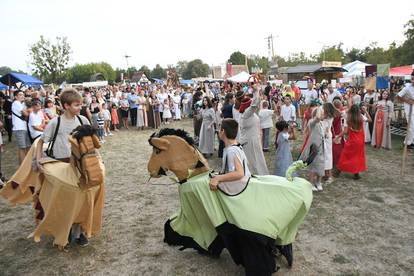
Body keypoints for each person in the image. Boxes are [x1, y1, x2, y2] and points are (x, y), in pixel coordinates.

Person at [35, 88, 90, 246]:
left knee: (80, 199)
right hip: (60, 165)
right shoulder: (55, 122)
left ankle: (78, 233)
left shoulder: (83, 121)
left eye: (80, 104)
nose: (80, 107)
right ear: (66, 106)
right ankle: (63, 231)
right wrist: (39, 160)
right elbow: (40, 142)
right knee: (63, 201)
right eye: (76, 104)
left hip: (79, 165)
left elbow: (89, 143)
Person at [209, 118, 250, 191]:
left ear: (223, 131)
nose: (218, 131)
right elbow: (246, 163)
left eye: (219, 128)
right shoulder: (237, 145)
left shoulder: (231, 151)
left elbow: (239, 173)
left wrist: (218, 178)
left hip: (240, 188)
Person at [239, 85, 269, 175]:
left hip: (253, 140)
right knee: (252, 162)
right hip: (249, 142)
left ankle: (260, 176)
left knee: (258, 160)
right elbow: (255, 104)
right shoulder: (246, 114)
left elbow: (256, 105)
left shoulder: (250, 114)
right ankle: (254, 177)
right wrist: (256, 91)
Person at [335, 104, 367, 180]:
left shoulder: (348, 118)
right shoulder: (361, 117)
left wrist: (338, 136)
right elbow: (369, 120)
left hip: (352, 140)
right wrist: (366, 112)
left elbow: (345, 131)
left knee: (345, 156)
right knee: (357, 157)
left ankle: (338, 171)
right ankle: (356, 174)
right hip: (360, 140)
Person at [300, 106, 325, 191]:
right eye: (322, 114)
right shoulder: (312, 122)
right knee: (313, 165)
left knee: (321, 164)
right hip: (314, 147)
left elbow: (321, 134)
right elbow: (317, 118)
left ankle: (318, 182)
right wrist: (318, 110)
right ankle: (311, 183)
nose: (323, 115)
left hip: (321, 147)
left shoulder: (321, 123)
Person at [396, 70, 414, 149]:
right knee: (411, 126)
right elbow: (398, 96)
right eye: (412, 77)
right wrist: (407, 101)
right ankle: (407, 143)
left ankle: (412, 142)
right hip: (409, 109)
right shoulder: (407, 88)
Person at [12, 91, 31, 164]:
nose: (22, 96)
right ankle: (22, 166)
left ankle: (26, 164)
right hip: (19, 128)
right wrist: (29, 110)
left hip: (23, 127)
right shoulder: (16, 103)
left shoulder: (21, 104)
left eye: (23, 94)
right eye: (20, 95)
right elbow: (26, 114)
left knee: (27, 146)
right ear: (16, 97)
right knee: (22, 147)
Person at [322, 103, 338, 184]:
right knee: (325, 155)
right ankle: (325, 173)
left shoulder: (328, 117)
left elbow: (326, 127)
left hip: (326, 136)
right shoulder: (327, 116)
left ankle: (329, 175)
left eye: (323, 108)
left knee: (327, 156)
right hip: (325, 135)